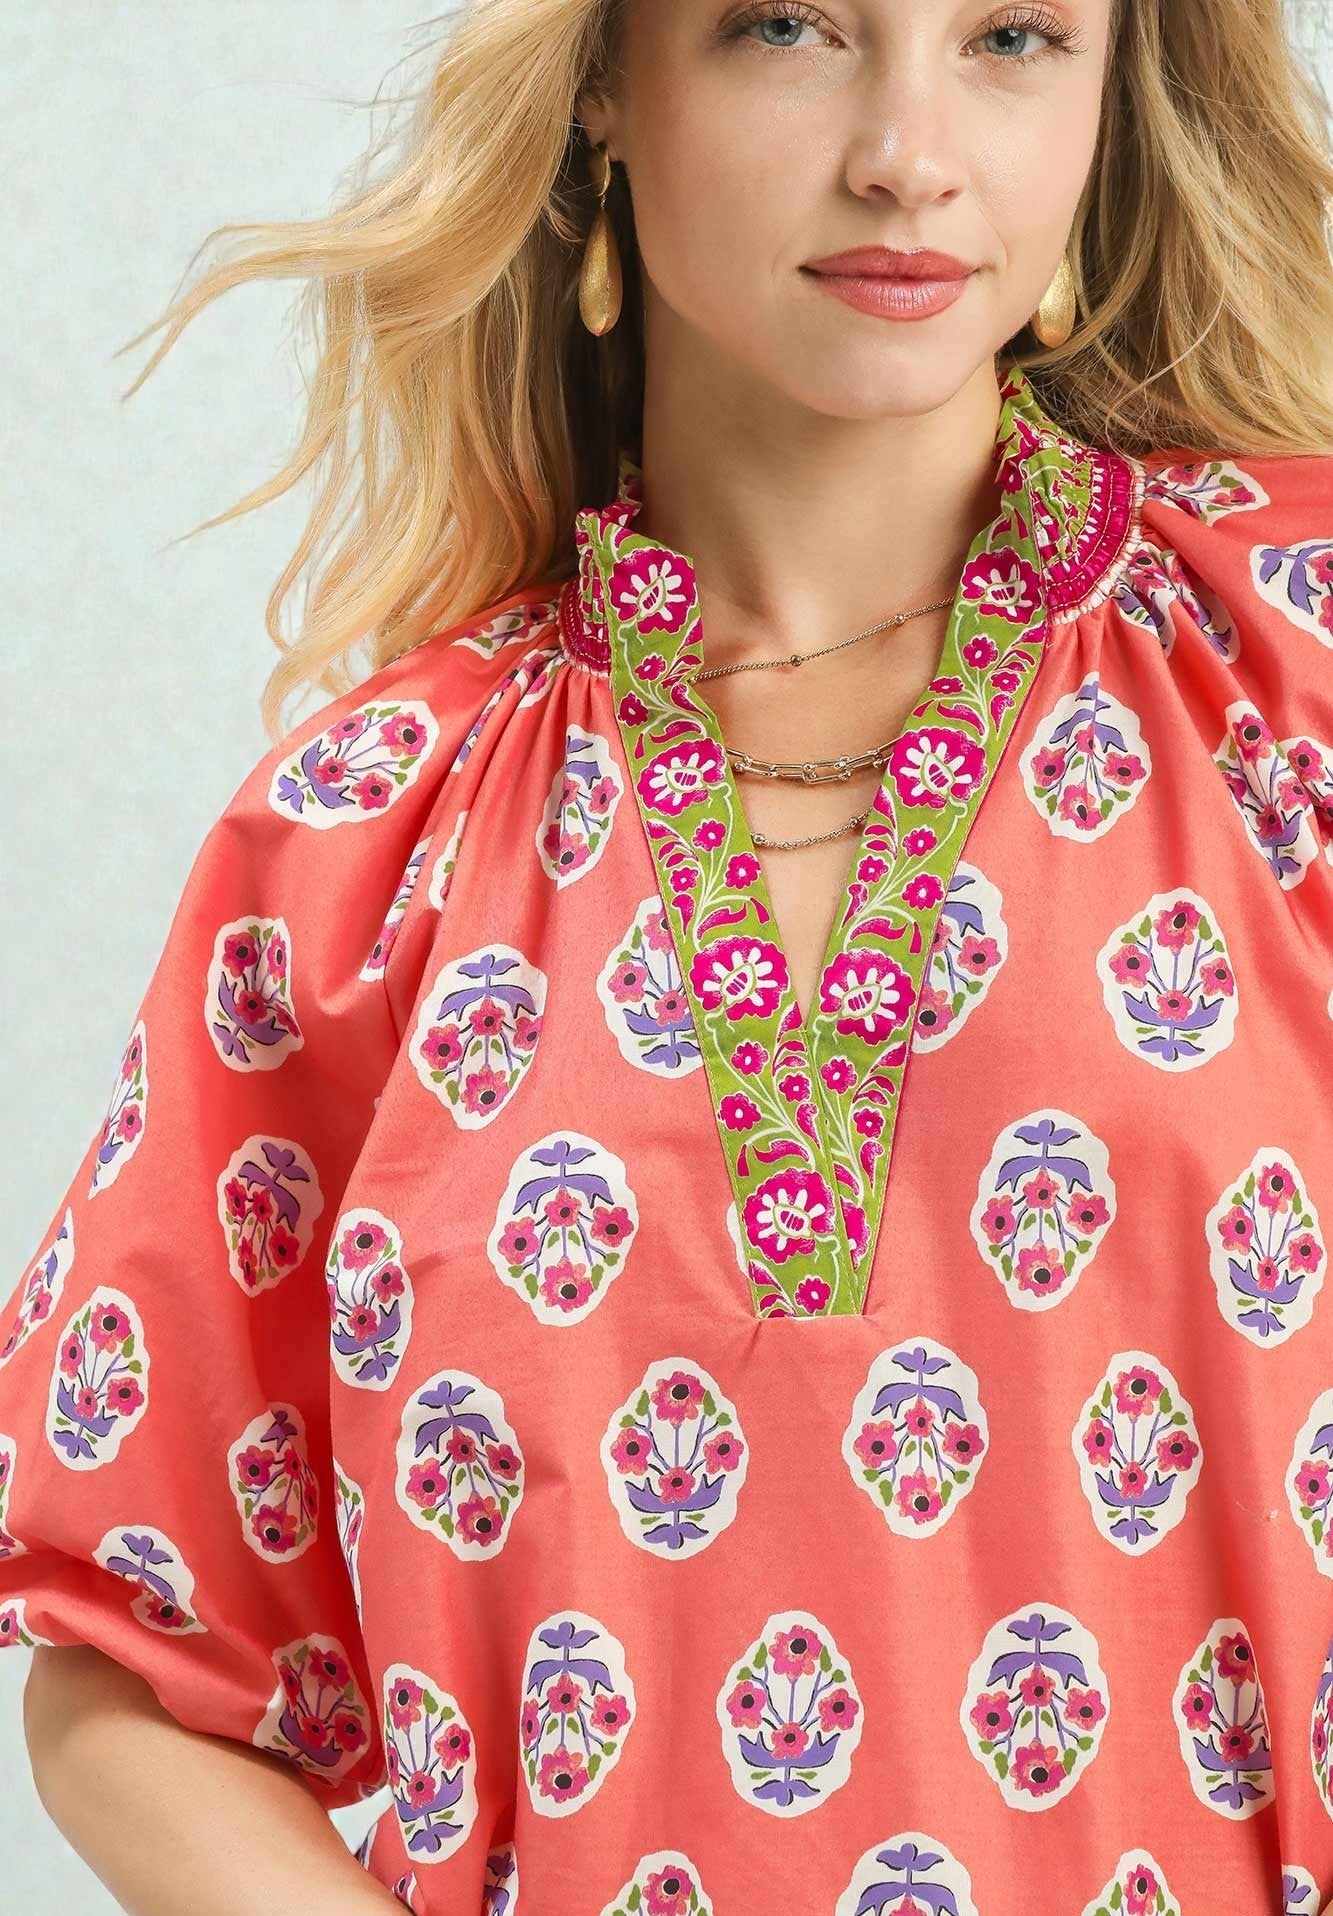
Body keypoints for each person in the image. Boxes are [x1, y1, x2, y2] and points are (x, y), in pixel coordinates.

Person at [5, 1, 1333, 1912]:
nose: (907, 147)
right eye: (788, 27)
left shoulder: (1283, 679)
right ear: (608, 90)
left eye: (1015, 38)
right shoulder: (371, 838)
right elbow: (139, 1661)